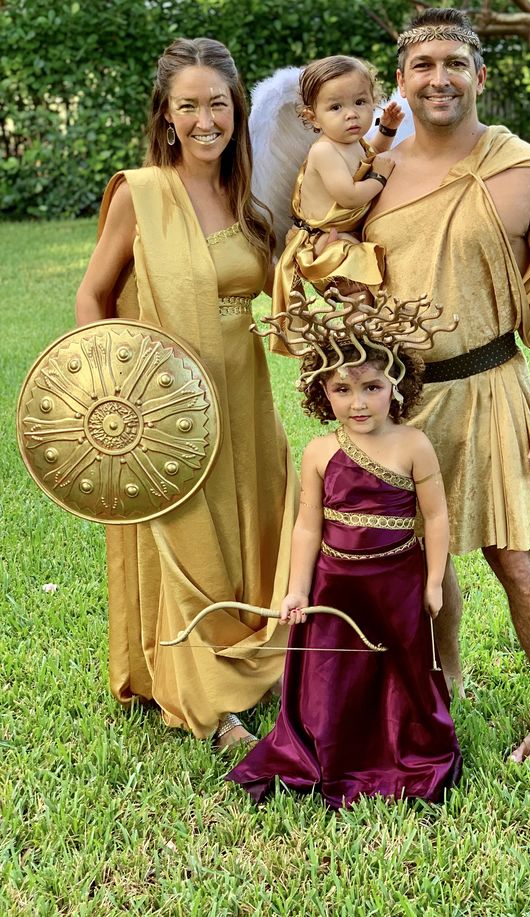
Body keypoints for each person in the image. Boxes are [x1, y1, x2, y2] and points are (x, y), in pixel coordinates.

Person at [359, 8, 530, 766]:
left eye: (455, 63)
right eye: (423, 64)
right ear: (401, 80)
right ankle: (445, 674)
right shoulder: (376, 173)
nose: (439, 78)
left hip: (492, 387)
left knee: (511, 554)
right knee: (418, 552)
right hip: (400, 399)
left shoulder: (524, 173)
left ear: (480, 77)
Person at [75, 38, 298, 749]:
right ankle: (209, 702)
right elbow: (93, 295)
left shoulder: (247, 192)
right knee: (187, 535)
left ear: (237, 109)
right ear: (166, 116)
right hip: (163, 402)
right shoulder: (140, 194)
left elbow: (281, 290)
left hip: (243, 392)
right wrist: (117, 390)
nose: (207, 120)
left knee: (257, 522)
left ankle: (255, 665)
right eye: (189, 107)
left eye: (219, 105)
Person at [227, 290, 462, 808]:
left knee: (399, 668)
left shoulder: (413, 445)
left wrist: (431, 582)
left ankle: (405, 748)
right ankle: (331, 748)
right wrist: (296, 590)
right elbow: (307, 526)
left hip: (396, 580)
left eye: (373, 387)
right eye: (342, 389)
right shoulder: (319, 451)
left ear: (397, 386)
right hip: (334, 585)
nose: (358, 403)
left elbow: (437, 516)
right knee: (334, 673)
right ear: (321, 393)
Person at [270, 55, 404, 343]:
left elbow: (370, 157)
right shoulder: (325, 151)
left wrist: (387, 130)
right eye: (336, 107)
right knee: (357, 283)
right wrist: (379, 179)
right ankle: (357, 339)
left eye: (360, 102)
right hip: (324, 241)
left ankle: (370, 333)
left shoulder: (351, 142)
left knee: (367, 286)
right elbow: (350, 195)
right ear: (313, 117)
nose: (351, 114)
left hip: (339, 234)